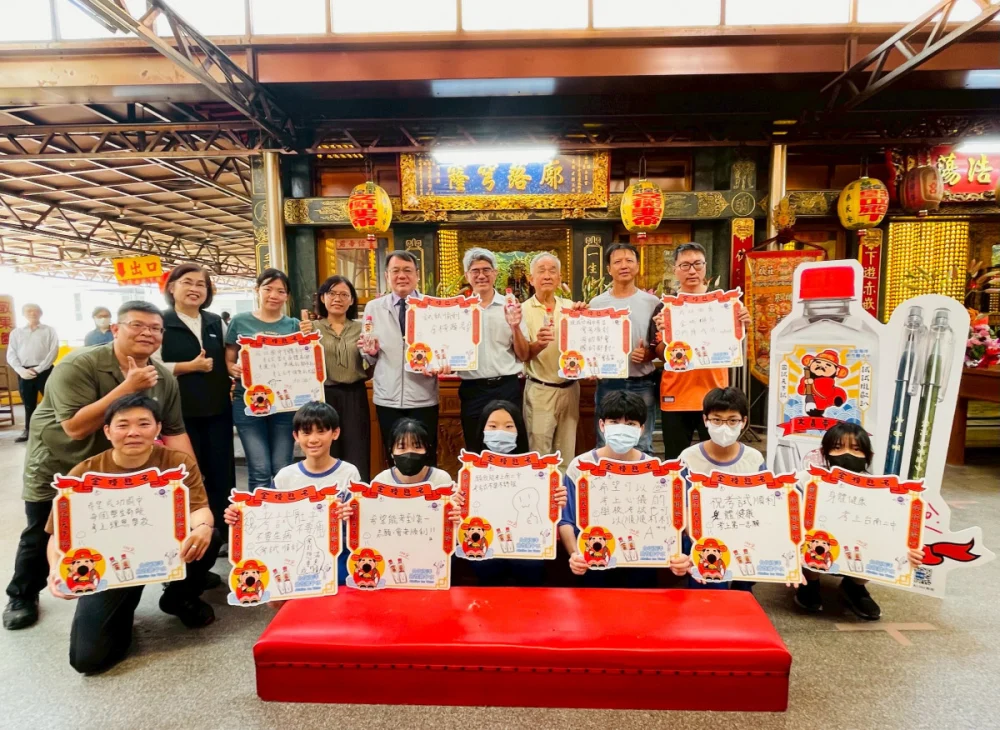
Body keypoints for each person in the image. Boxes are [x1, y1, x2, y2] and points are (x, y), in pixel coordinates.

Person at [3, 301, 193, 631]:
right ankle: (22, 594)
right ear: (115, 329)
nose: (147, 333)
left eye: (155, 328)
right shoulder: (78, 365)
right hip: (59, 461)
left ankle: (167, 577)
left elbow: (175, 432)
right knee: (41, 530)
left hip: (115, 467)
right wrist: (128, 387)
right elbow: (74, 428)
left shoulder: (163, 377)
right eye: (137, 325)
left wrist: (191, 482)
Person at [44, 395, 218, 674]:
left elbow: (199, 508)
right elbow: (58, 537)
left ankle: (179, 597)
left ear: (158, 428)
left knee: (211, 537)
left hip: (167, 555)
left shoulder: (177, 462)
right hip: (109, 569)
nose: (133, 432)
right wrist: (56, 570)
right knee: (88, 659)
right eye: (123, 425)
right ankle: (122, 614)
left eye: (143, 424)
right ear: (107, 431)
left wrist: (202, 528)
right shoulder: (84, 474)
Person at [794, 422, 924, 620]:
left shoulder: (880, 490)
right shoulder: (806, 480)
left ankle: (854, 587)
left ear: (867, 455)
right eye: (837, 447)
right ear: (824, 452)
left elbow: (895, 531)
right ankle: (810, 583)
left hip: (856, 548)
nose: (847, 454)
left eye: (856, 449)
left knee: (873, 540)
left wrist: (907, 550)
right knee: (810, 538)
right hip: (818, 547)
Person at [225, 401, 360, 587]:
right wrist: (239, 515)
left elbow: (358, 525)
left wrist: (351, 514)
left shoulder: (349, 473)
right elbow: (266, 517)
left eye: (321, 431)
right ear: (296, 436)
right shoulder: (285, 477)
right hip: (293, 555)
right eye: (306, 432)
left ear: (335, 433)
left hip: (338, 554)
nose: (313, 439)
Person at [560, 391, 687, 587]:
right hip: (594, 558)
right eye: (614, 422)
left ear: (641, 429)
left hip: (642, 561)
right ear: (602, 425)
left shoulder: (656, 470)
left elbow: (670, 521)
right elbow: (566, 519)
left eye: (630, 424)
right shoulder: (580, 466)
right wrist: (575, 554)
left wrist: (675, 555)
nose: (622, 428)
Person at [155, 264, 234, 548]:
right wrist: (189, 367)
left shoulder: (215, 322)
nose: (195, 289)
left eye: (201, 284)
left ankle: (225, 535)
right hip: (178, 416)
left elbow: (229, 358)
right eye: (187, 282)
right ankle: (188, 537)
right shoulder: (161, 322)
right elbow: (151, 364)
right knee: (186, 475)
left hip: (217, 411)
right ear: (172, 287)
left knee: (221, 473)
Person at [650, 242, 751, 459]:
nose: (692, 271)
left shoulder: (724, 304)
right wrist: (666, 335)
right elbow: (659, 354)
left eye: (697, 264)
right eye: (685, 265)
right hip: (676, 395)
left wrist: (744, 324)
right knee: (676, 459)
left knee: (718, 458)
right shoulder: (665, 307)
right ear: (675, 269)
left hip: (716, 395)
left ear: (705, 267)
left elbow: (735, 345)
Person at [225, 268, 309, 491]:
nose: (274, 295)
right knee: (259, 468)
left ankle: (284, 507)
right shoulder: (240, 321)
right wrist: (233, 369)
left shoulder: (293, 325)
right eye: (268, 289)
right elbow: (230, 358)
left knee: (282, 466)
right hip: (248, 402)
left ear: (287, 296)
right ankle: (260, 510)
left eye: (280, 291)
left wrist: (308, 336)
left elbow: (303, 362)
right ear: (257, 290)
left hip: (284, 404)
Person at [467, 400, 567, 586]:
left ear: (519, 431)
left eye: (508, 426)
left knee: (529, 564)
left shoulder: (537, 473)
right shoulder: (471, 472)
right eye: (493, 426)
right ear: (482, 430)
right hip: (488, 542)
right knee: (483, 562)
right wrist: (458, 505)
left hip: (526, 543)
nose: (501, 432)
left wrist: (557, 500)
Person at [358, 251, 441, 466]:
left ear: (417, 275)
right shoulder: (374, 308)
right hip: (388, 397)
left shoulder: (433, 307)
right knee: (393, 456)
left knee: (426, 455)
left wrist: (441, 363)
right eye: (395, 271)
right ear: (387, 275)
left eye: (407, 270)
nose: (401, 276)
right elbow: (368, 356)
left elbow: (443, 349)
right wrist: (370, 351)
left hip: (423, 395)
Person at [589, 243, 659, 455]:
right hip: (608, 383)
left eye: (629, 260)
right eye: (617, 261)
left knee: (642, 443)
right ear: (608, 269)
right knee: (606, 444)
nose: (624, 265)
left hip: (642, 382)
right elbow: (590, 343)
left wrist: (647, 354)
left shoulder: (652, 302)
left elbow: (659, 344)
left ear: (637, 266)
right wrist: (589, 365)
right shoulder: (596, 304)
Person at [457, 248, 529, 453]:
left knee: (511, 447)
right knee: (475, 447)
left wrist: (515, 327)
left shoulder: (511, 306)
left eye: (486, 270)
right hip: (473, 388)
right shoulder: (458, 310)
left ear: (495, 273)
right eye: (475, 271)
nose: (481, 275)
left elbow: (524, 354)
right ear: (467, 276)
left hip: (506, 386)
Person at [519, 252, 585, 464]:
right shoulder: (521, 311)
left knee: (567, 452)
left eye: (552, 271)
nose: (547, 276)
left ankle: (563, 488)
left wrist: (587, 318)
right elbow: (522, 354)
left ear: (559, 278)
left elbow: (586, 345)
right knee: (539, 455)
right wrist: (538, 344)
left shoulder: (572, 308)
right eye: (541, 271)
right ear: (531, 279)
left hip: (570, 388)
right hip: (540, 390)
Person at [315, 275, 371, 481]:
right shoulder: (311, 329)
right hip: (324, 396)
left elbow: (373, 358)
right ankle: (327, 494)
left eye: (344, 294)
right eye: (332, 293)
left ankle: (358, 492)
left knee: (357, 448)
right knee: (327, 448)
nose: (337, 299)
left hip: (354, 394)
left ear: (352, 300)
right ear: (323, 298)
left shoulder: (361, 328)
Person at [678, 387, 765, 475]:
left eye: (732, 420)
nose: (724, 427)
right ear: (705, 420)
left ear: (744, 422)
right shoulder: (688, 458)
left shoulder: (754, 459)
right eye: (717, 420)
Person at [6, 303, 59, 442]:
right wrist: (20, 370)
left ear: (41, 313)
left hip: (45, 371)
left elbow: (53, 351)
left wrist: (39, 368)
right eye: (29, 311)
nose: (32, 313)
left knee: (52, 401)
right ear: (23, 314)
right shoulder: (16, 333)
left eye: (35, 311)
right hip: (24, 372)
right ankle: (29, 431)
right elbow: (11, 354)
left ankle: (56, 429)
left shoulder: (49, 330)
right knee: (28, 403)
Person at [371, 418, 453, 488]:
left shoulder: (441, 479)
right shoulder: (381, 481)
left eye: (417, 447)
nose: (409, 452)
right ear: (391, 452)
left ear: (427, 450)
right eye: (402, 447)